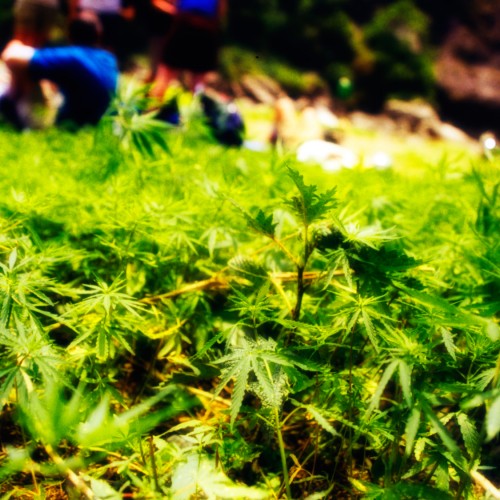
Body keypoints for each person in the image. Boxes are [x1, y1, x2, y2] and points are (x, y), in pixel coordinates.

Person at [0, 11, 119, 128]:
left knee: (10, 74)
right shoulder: (108, 58)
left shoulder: (72, 56)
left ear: (69, 35)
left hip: (75, 124)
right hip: (104, 123)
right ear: (99, 34)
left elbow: (10, 56)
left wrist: (16, 42)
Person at [149, 0, 227, 100]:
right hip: (197, 29)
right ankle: (153, 106)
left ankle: (152, 108)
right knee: (170, 77)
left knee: (170, 77)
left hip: (194, 28)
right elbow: (221, 12)